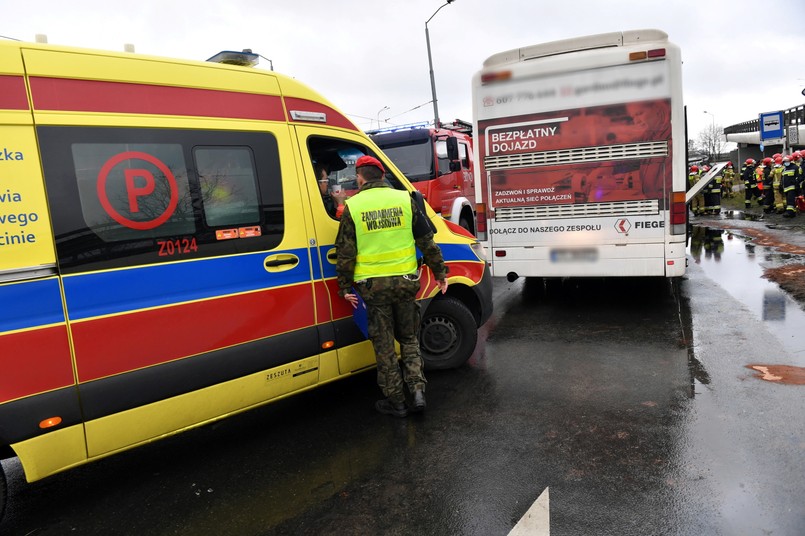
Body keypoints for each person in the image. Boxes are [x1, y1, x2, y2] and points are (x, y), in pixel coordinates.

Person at [335, 155, 448, 418]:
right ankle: (418, 390)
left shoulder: (354, 206)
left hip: (374, 289)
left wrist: (343, 287)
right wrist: (440, 272)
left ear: (360, 177)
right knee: (409, 339)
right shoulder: (404, 199)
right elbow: (427, 241)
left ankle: (396, 402)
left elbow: (345, 252)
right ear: (383, 175)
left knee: (384, 346)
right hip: (406, 283)